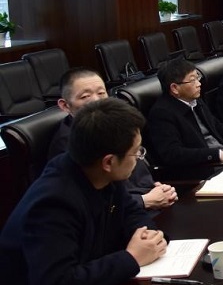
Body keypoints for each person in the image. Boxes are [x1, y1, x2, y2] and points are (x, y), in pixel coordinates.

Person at [0, 98, 168, 285]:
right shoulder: (53, 203)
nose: (139, 159)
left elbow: (132, 213)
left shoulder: (102, 173)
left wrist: (149, 236)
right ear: (108, 162)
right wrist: (131, 258)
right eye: (136, 153)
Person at [47, 68, 176, 211]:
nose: (96, 100)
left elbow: (139, 174)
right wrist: (144, 200)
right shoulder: (69, 143)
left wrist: (158, 189)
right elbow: (91, 200)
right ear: (65, 105)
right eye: (85, 96)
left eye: (101, 93)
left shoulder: (114, 125)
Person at [146, 58, 223, 169]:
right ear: (175, 88)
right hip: (204, 168)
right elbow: (173, 154)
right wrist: (216, 155)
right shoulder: (162, 113)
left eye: (198, 77)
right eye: (192, 80)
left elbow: (217, 127)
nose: (199, 84)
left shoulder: (195, 100)